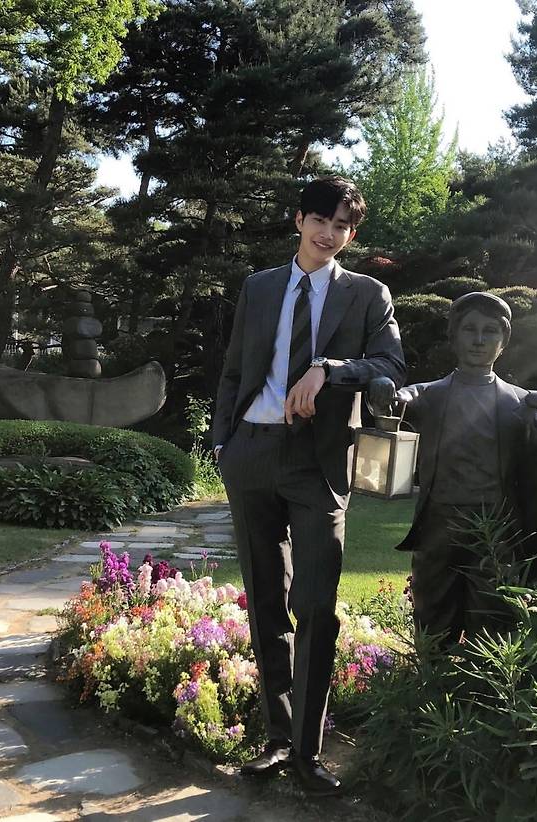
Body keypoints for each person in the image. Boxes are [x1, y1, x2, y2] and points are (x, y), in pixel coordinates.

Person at [212, 176, 405, 794]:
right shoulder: (260, 286)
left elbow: (391, 363)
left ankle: (306, 751)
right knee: (265, 601)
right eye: (320, 219)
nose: (329, 233)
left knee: (316, 604)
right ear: (299, 219)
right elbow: (235, 369)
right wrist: (223, 443)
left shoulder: (367, 294)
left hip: (317, 463)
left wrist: (329, 368)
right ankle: (276, 740)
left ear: (352, 233)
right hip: (251, 451)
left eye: (341, 225)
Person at [369, 291, 537, 645]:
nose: (478, 339)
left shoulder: (521, 402)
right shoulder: (428, 395)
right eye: (469, 329)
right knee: (431, 618)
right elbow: (396, 401)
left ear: (503, 342)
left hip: (498, 530)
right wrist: (384, 393)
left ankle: (487, 682)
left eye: (490, 331)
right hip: (438, 528)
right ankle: (431, 678)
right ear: (453, 337)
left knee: (495, 624)